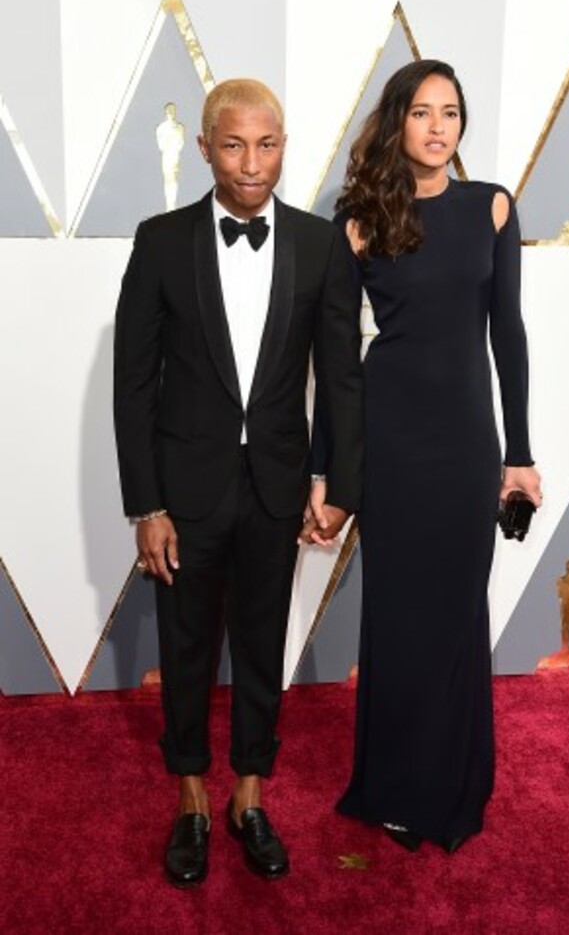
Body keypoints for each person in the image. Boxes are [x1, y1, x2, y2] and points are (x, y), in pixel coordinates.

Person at [113, 79, 363, 886]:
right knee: (186, 652)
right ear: (204, 149)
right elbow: (133, 384)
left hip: (279, 489)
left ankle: (248, 794)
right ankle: (190, 796)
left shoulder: (321, 247)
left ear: (284, 146)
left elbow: (342, 378)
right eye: (234, 144)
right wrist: (145, 503)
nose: (253, 163)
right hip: (184, 494)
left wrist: (338, 483)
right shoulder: (160, 241)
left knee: (261, 649)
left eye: (268, 144)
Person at [309, 60, 542, 854]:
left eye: (450, 112)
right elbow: (335, 361)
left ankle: (454, 781)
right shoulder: (359, 219)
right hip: (392, 441)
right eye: (421, 112)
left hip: (468, 442)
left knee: (454, 615)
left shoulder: (493, 206)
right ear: (397, 123)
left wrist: (521, 453)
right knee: (400, 618)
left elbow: (506, 334)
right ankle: (396, 787)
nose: (438, 126)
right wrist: (326, 471)